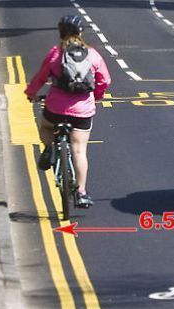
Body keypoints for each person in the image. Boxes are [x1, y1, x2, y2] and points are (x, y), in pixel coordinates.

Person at [25, 15, 111, 208]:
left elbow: (40, 78)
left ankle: (49, 149)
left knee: (46, 126)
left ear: (60, 33)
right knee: (79, 150)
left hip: (55, 108)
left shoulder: (55, 53)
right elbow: (104, 80)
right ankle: (81, 192)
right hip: (83, 111)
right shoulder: (92, 54)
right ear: (80, 32)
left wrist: (31, 93)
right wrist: (96, 95)